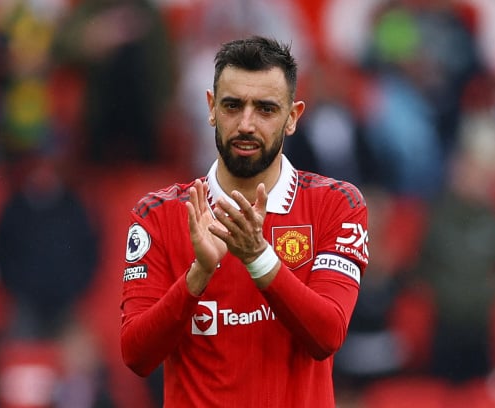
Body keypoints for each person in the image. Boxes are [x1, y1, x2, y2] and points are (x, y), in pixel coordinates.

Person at [120, 36, 369, 407]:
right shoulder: (158, 214)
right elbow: (136, 356)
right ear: (210, 108)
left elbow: (327, 335)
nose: (246, 124)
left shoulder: (335, 205)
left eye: (266, 109)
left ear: (293, 118)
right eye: (233, 106)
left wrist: (258, 257)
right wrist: (199, 275)